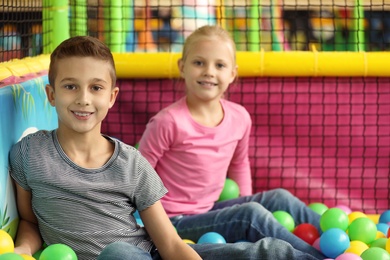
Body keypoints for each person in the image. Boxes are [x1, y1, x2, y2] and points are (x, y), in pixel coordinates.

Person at [8, 35, 321, 260]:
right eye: (70, 86)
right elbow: (31, 221)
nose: (84, 98)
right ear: (51, 94)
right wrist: (22, 250)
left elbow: (170, 245)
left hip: (145, 253)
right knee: (116, 255)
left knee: (270, 251)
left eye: (96, 88)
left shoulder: (131, 163)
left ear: (112, 97)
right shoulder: (28, 154)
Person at [138, 25, 325, 260]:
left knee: (279, 197)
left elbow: (239, 163)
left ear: (232, 74)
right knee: (250, 215)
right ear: (182, 67)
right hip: (173, 221)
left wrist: (242, 200)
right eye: (199, 63)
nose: (209, 71)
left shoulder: (239, 117)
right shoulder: (168, 122)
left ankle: (338, 235)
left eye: (219, 65)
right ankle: (317, 257)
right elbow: (138, 175)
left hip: (210, 208)